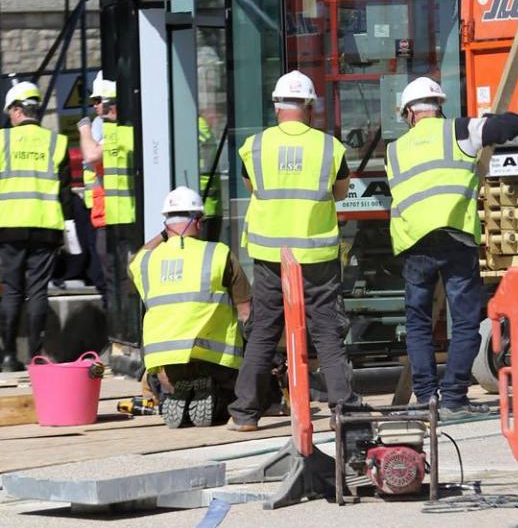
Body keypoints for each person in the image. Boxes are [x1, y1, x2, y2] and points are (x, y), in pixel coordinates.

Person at [385, 77, 518, 414]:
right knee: (463, 321)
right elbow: (514, 124)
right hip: (455, 235)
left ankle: (425, 396)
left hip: (414, 242)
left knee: (418, 323)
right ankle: (454, 398)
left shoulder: (393, 150)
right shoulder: (459, 130)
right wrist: (489, 120)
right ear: (439, 107)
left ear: (409, 114)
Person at [227, 70, 353, 432]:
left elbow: (253, 187)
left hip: (270, 254)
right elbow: (340, 193)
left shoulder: (254, 146)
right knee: (326, 331)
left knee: (264, 330)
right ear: (310, 107)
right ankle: (342, 409)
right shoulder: (329, 147)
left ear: (276, 106)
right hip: (316, 256)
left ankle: (245, 414)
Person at [128, 186, 251, 425]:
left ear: (165, 223)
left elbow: (137, 257)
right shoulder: (218, 254)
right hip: (216, 360)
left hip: (165, 364)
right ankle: (212, 395)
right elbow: (247, 313)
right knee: (229, 402)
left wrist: (165, 235)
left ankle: (175, 393)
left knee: (164, 386)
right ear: (198, 221)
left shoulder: (145, 262)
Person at [0, 81, 72, 369]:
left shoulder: (2, 141)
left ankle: (7, 356)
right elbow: (66, 193)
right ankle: (36, 356)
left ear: (17, 111)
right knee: (38, 291)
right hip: (46, 226)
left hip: (8, 225)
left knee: (13, 290)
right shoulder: (57, 142)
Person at [78, 73, 137, 318]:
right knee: (116, 280)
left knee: (119, 282)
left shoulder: (115, 134)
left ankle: (124, 331)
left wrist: (83, 129)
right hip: (111, 216)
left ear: (111, 103)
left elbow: (92, 155)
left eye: (97, 100)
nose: (94, 106)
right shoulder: (122, 131)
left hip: (117, 218)